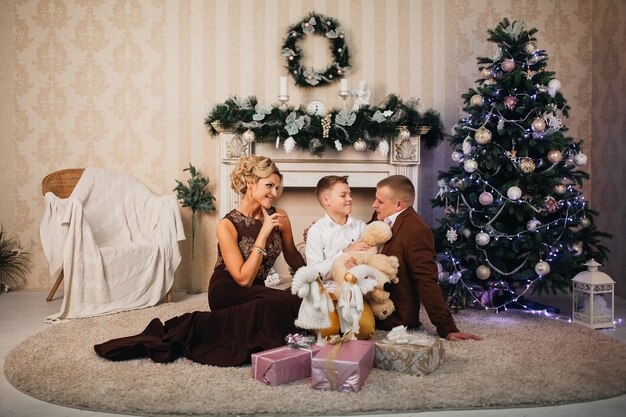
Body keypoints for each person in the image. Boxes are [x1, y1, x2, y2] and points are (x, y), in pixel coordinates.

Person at [94, 155, 306, 365]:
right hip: (228, 289)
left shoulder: (279, 216)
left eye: (277, 188)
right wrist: (263, 233)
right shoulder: (227, 225)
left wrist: (314, 275)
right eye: (269, 186)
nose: (274, 193)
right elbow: (243, 280)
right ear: (251, 183)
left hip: (257, 292)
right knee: (279, 302)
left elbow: (292, 256)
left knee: (297, 300)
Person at [370, 175, 481, 341]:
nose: (374, 205)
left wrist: (446, 327)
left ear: (399, 204)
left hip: (393, 313)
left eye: (379, 201)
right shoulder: (380, 217)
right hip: (370, 294)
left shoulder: (417, 230)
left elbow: (426, 280)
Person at [304, 175, 375, 339]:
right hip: (325, 293)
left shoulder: (361, 228)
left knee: (363, 330)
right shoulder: (316, 231)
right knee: (328, 331)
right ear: (326, 200)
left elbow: (368, 265)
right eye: (343, 195)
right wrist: (345, 254)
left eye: (350, 194)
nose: (350, 199)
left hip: (353, 292)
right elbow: (315, 272)